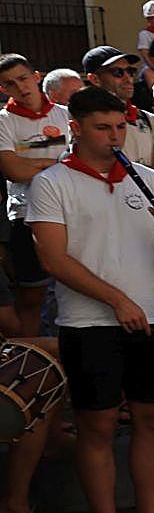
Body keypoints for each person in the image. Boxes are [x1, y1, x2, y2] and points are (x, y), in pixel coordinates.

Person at [26, 85, 154, 513]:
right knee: (98, 424)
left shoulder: (148, 179)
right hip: (88, 322)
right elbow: (53, 258)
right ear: (75, 128)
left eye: (121, 127)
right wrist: (117, 299)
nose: (115, 136)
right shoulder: (52, 183)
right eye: (103, 128)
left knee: (152, 419)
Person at [1, 53, 72, 329]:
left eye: (23, 78)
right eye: (9, 84)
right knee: (32, 296)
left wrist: (34, 164)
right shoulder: (4, 120)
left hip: (72, 212)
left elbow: (81, 162)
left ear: (36, 76)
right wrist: (58, 164)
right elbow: (14, 171)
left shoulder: (66, 115)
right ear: (2, 89)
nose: (20, 87)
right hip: (26, 215)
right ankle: (34, 364)